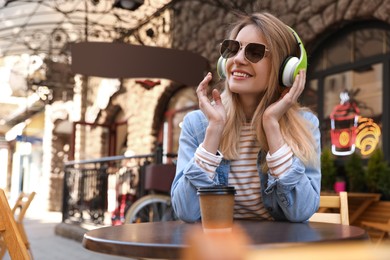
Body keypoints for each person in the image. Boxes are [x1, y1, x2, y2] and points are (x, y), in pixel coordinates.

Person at [171, 11, 321, 223]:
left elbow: (300, 212)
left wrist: (271, 126)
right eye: (233, 49)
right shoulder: (197, 124)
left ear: (284, 69)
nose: (238, 59)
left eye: (255, 52)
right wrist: (214, 130)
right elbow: (185, 211)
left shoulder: (306, 125)